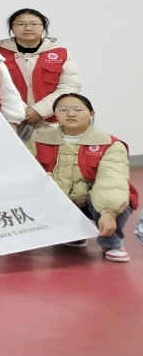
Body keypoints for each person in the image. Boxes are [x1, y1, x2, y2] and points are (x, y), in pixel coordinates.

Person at [30, 93, 135, 263]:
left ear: (91, 114)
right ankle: (75, 234)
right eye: (63, 109)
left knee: (112, 199)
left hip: (93, 199)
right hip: (64, 198)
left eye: (77, 109)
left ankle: (112, 244)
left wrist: (108, 212)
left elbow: (111, 181)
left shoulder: (110, 144)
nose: (70, 114)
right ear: (55, 114)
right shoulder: (39, 141)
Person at [0, 8, 82, 133]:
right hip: (10, 121)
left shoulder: (61, 53)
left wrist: (39, 110)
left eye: (34, 24)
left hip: (51, 123)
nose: (28, 28)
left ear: (43, 27)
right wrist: (21, 110)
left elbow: (70, 86)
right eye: (20, 24)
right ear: (12, 28)